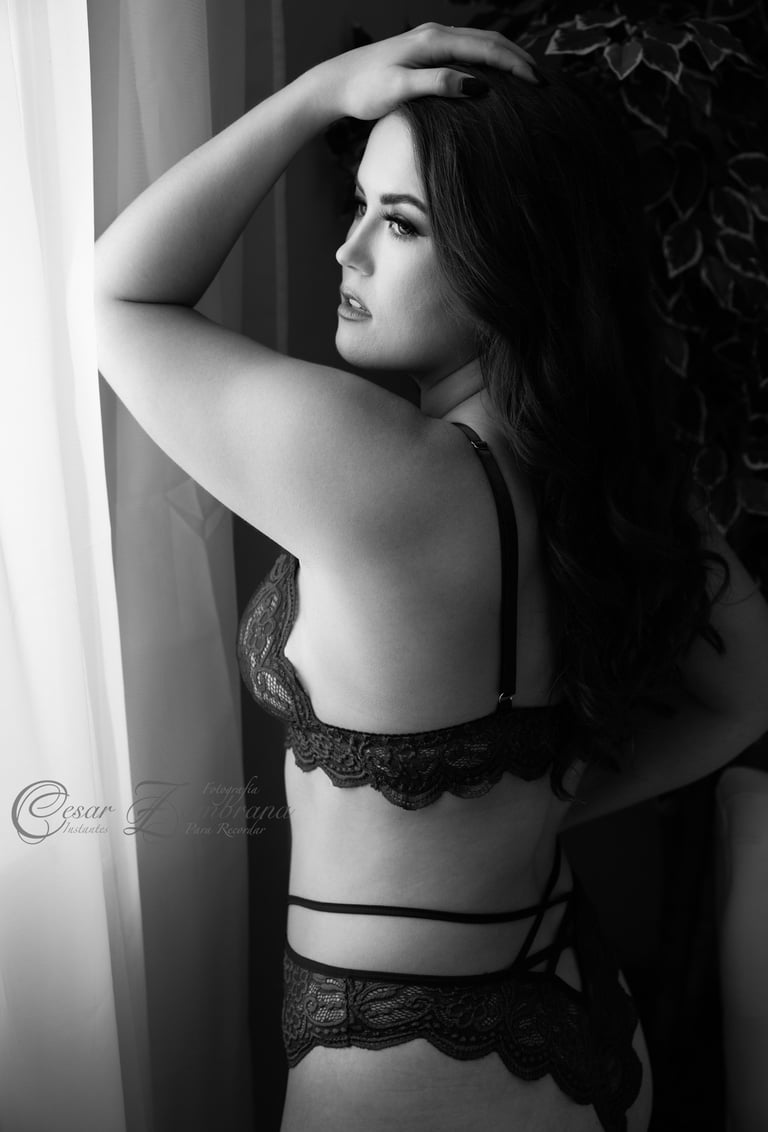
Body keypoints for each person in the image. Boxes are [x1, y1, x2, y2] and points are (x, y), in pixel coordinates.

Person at [94, 22, 768, 1132]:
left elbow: (121, 297)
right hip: (575, 1012)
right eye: (358, 206)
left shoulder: (382, 469)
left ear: (516, 258)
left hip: (411, 1078)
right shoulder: (605, 473)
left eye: (398, 223)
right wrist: (530, 812)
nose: (346, 252)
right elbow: (743, 695)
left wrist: (318, 92)